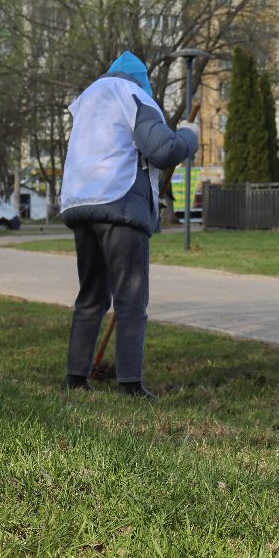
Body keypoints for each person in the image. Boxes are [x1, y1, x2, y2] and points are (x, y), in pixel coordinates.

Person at [60, 51, 199, 398]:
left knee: (91, 296)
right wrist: (189, 136)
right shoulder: (135, 95)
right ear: (142, 80)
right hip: (118, 204)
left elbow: (116, 155)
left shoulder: (88, 101)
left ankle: (75, 378)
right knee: (130, 299)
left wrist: (150, 202)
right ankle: (131, 384)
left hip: (81, 206)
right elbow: (163, 151)